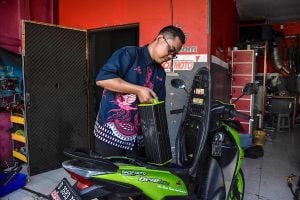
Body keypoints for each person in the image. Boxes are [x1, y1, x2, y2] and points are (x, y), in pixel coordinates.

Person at [94, 25, 186, 157]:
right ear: (160, 38)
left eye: (174, 54)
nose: (170, 56)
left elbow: (158, 107)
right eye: (170, 50)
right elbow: (103, 79)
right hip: (111, 137)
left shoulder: (160, 73)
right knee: (108, 177)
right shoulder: (129, 54)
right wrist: (138, 90)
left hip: (139, 142)